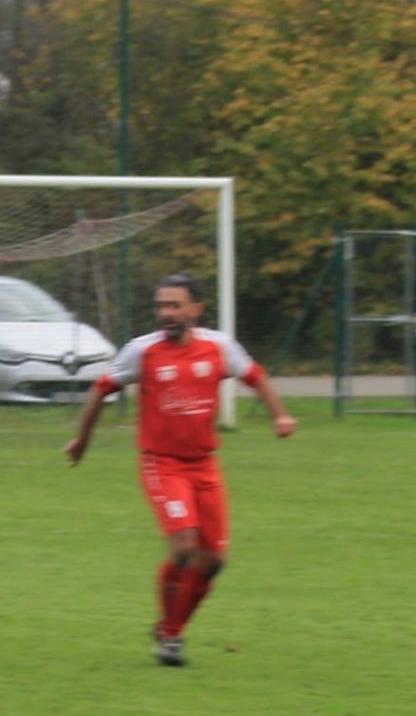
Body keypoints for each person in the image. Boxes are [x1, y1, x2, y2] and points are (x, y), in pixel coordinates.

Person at [63, 273, 297, 666]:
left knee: (214, 562)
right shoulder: (142, 351)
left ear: (195, 310)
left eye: (174, 305)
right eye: (161, 306)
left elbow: (255, 377)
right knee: (185, 547)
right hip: (162, 463)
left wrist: (281, 416)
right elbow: (100, 390)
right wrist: (82, 441)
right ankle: (170, 639)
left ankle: (169, 630)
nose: (166, 313)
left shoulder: (218, 347)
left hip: (204, 463)